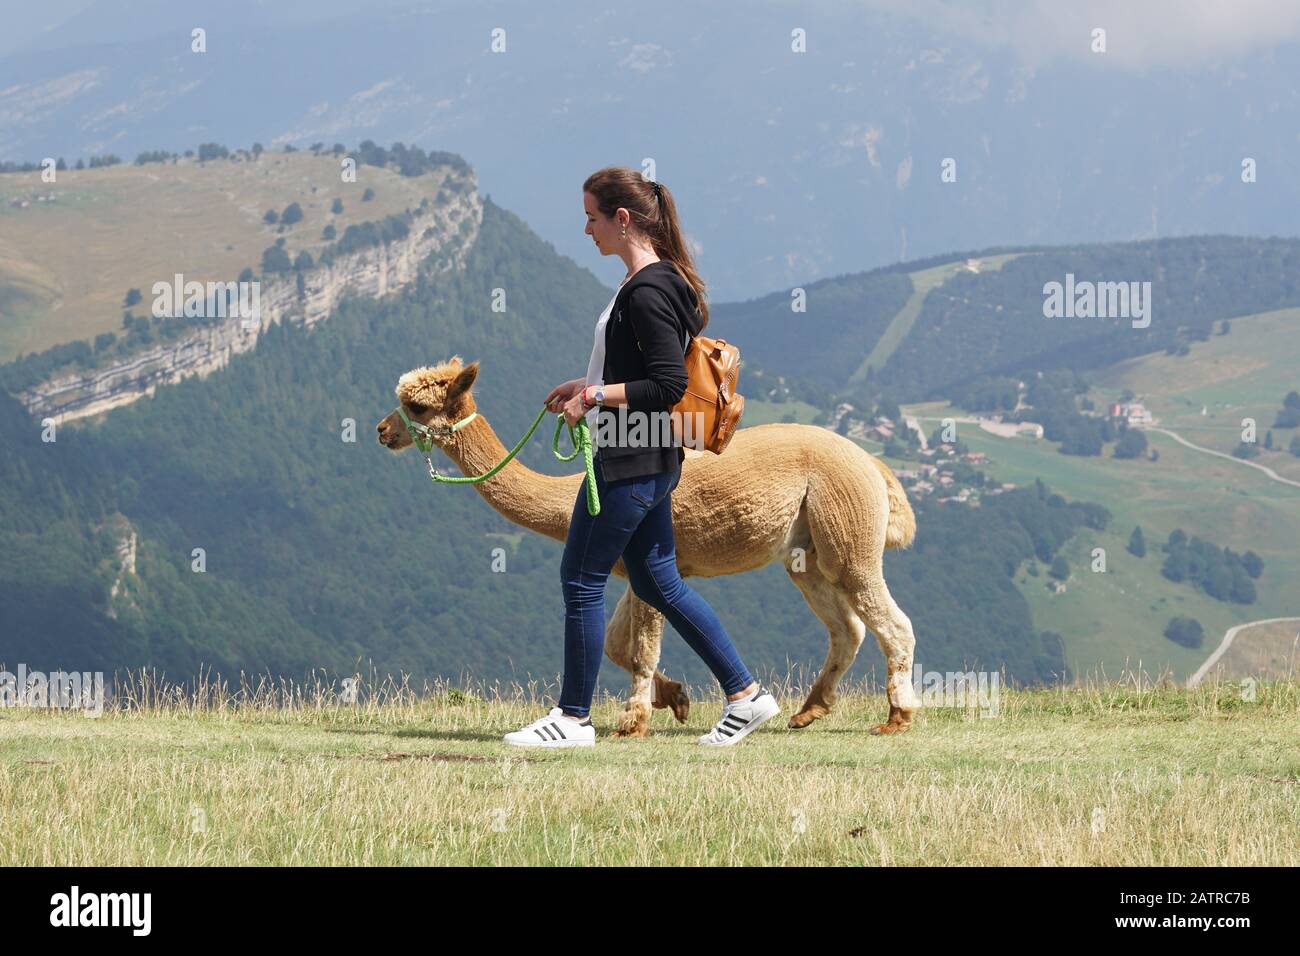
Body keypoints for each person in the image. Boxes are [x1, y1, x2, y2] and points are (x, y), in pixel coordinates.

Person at [503, 167, 780, 748]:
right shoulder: (661, 282)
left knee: (581, 580)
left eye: (592, 217)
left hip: (627, 461)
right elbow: (643, 369)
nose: (586, 229)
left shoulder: (648, 290)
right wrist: (587, 381)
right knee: (659, 583)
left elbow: (666, 384)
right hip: (653, 460)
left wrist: (596, 396)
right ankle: (746, 695)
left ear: (622, 219)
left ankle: (573, 719)